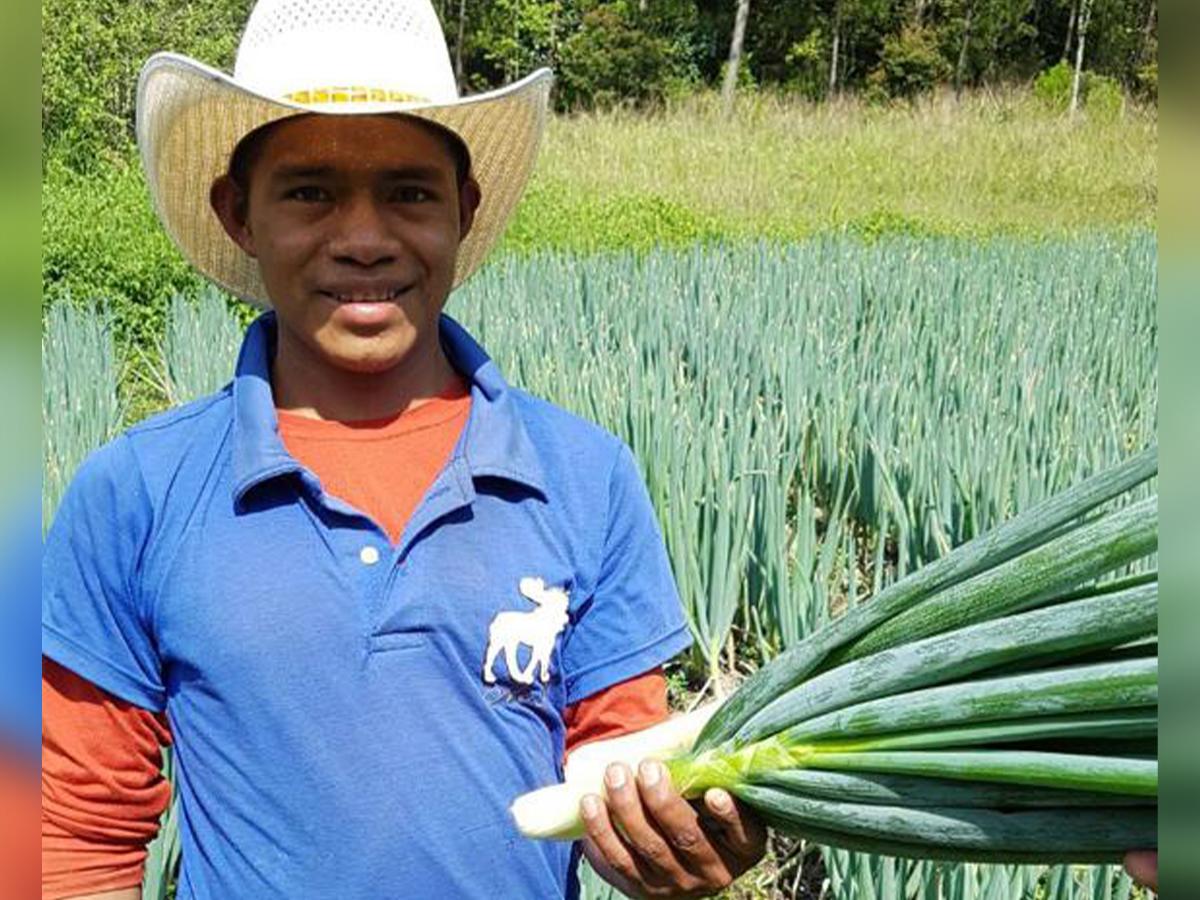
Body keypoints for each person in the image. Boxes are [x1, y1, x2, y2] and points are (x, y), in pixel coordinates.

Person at [40, 1, 766, 898]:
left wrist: (678, 850)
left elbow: (621, 774)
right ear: (238, 213)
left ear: (462, 209)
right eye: (309, 191)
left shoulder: (585, 478)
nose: (363, 237)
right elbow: (78, 829)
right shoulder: (137, 494)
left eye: (409, 192)